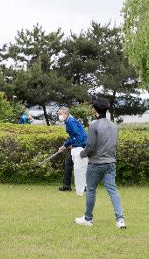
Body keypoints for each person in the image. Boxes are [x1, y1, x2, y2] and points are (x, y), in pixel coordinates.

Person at [75, 97, 126, 229]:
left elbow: (90, 145)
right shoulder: (114, 126)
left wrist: (81, 154)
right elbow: (114, 144)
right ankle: (120, 220)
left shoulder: (93, 125)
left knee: (91, 190)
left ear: (95, 110)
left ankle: (88, 219)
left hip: (96, 164)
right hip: (111, 163)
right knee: (113, 191)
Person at [58, 107, 87, 192]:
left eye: (60, 114)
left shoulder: (71, 121)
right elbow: (73, 136)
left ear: (65, 113)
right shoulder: (68, 121)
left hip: (81, 146)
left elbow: (78, 135)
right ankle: (67, 186)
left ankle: (84, 186)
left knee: (80, 166)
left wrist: (73, 145)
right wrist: (65, 145)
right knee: (69, 163)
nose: (59, 116)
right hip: (78, 145)